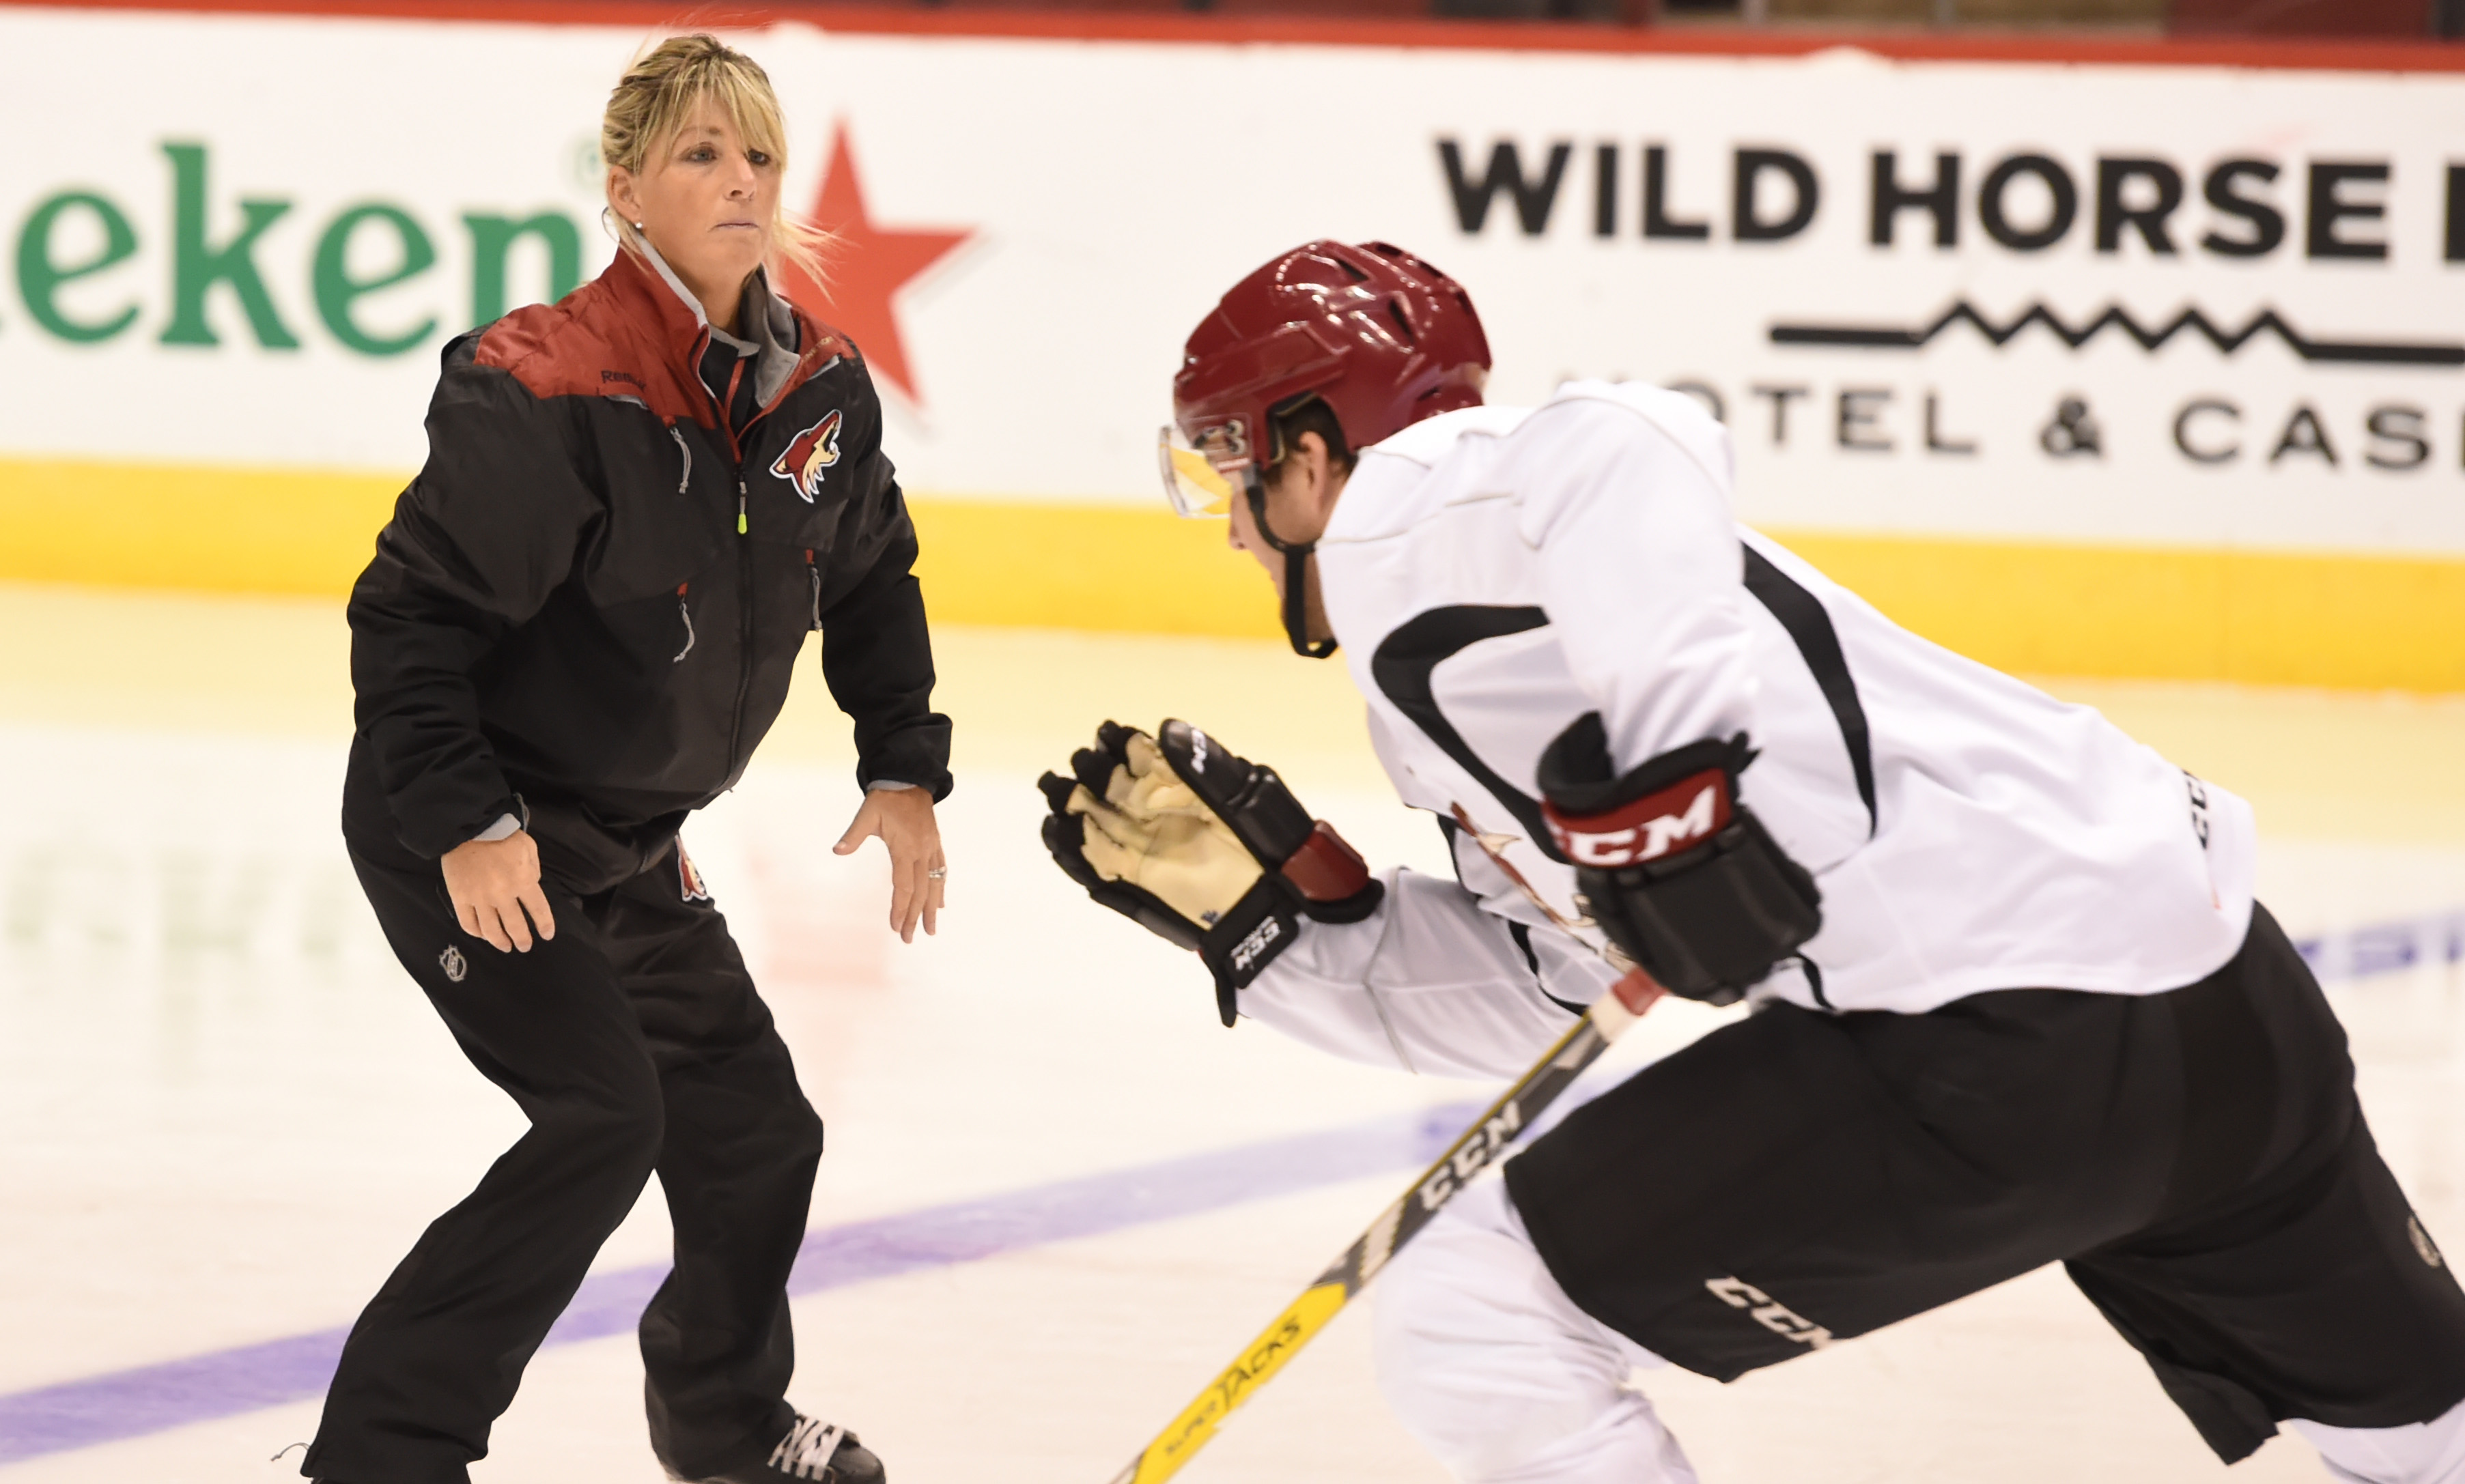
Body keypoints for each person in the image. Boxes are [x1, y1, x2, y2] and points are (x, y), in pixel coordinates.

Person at [1040, 240, 2465, 1483]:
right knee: (2423, 1430)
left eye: (1224, 467)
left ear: (1306, 448)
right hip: (2223, 1006)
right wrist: (1288, 934)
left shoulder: (1411, 518)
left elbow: (1618, 432)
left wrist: (1674, 788)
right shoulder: (1500, 630)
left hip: (2006, 1050)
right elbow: (1570, 980)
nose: (1225, 521)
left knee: (1472, 1317)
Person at [310, 35, 947, 1484]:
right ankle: (380, 1455)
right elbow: (407, 617)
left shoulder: (820, 394)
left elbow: (872, 574)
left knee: (752, 1129)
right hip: (462, 826)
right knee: (605, 1115)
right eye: (700, 156)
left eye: (759, 157)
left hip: (620, 840)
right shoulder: (548, 386)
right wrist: (470, 818)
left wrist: (899, 762)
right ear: (624, 189)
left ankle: (724, 1424)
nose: (739, 182)